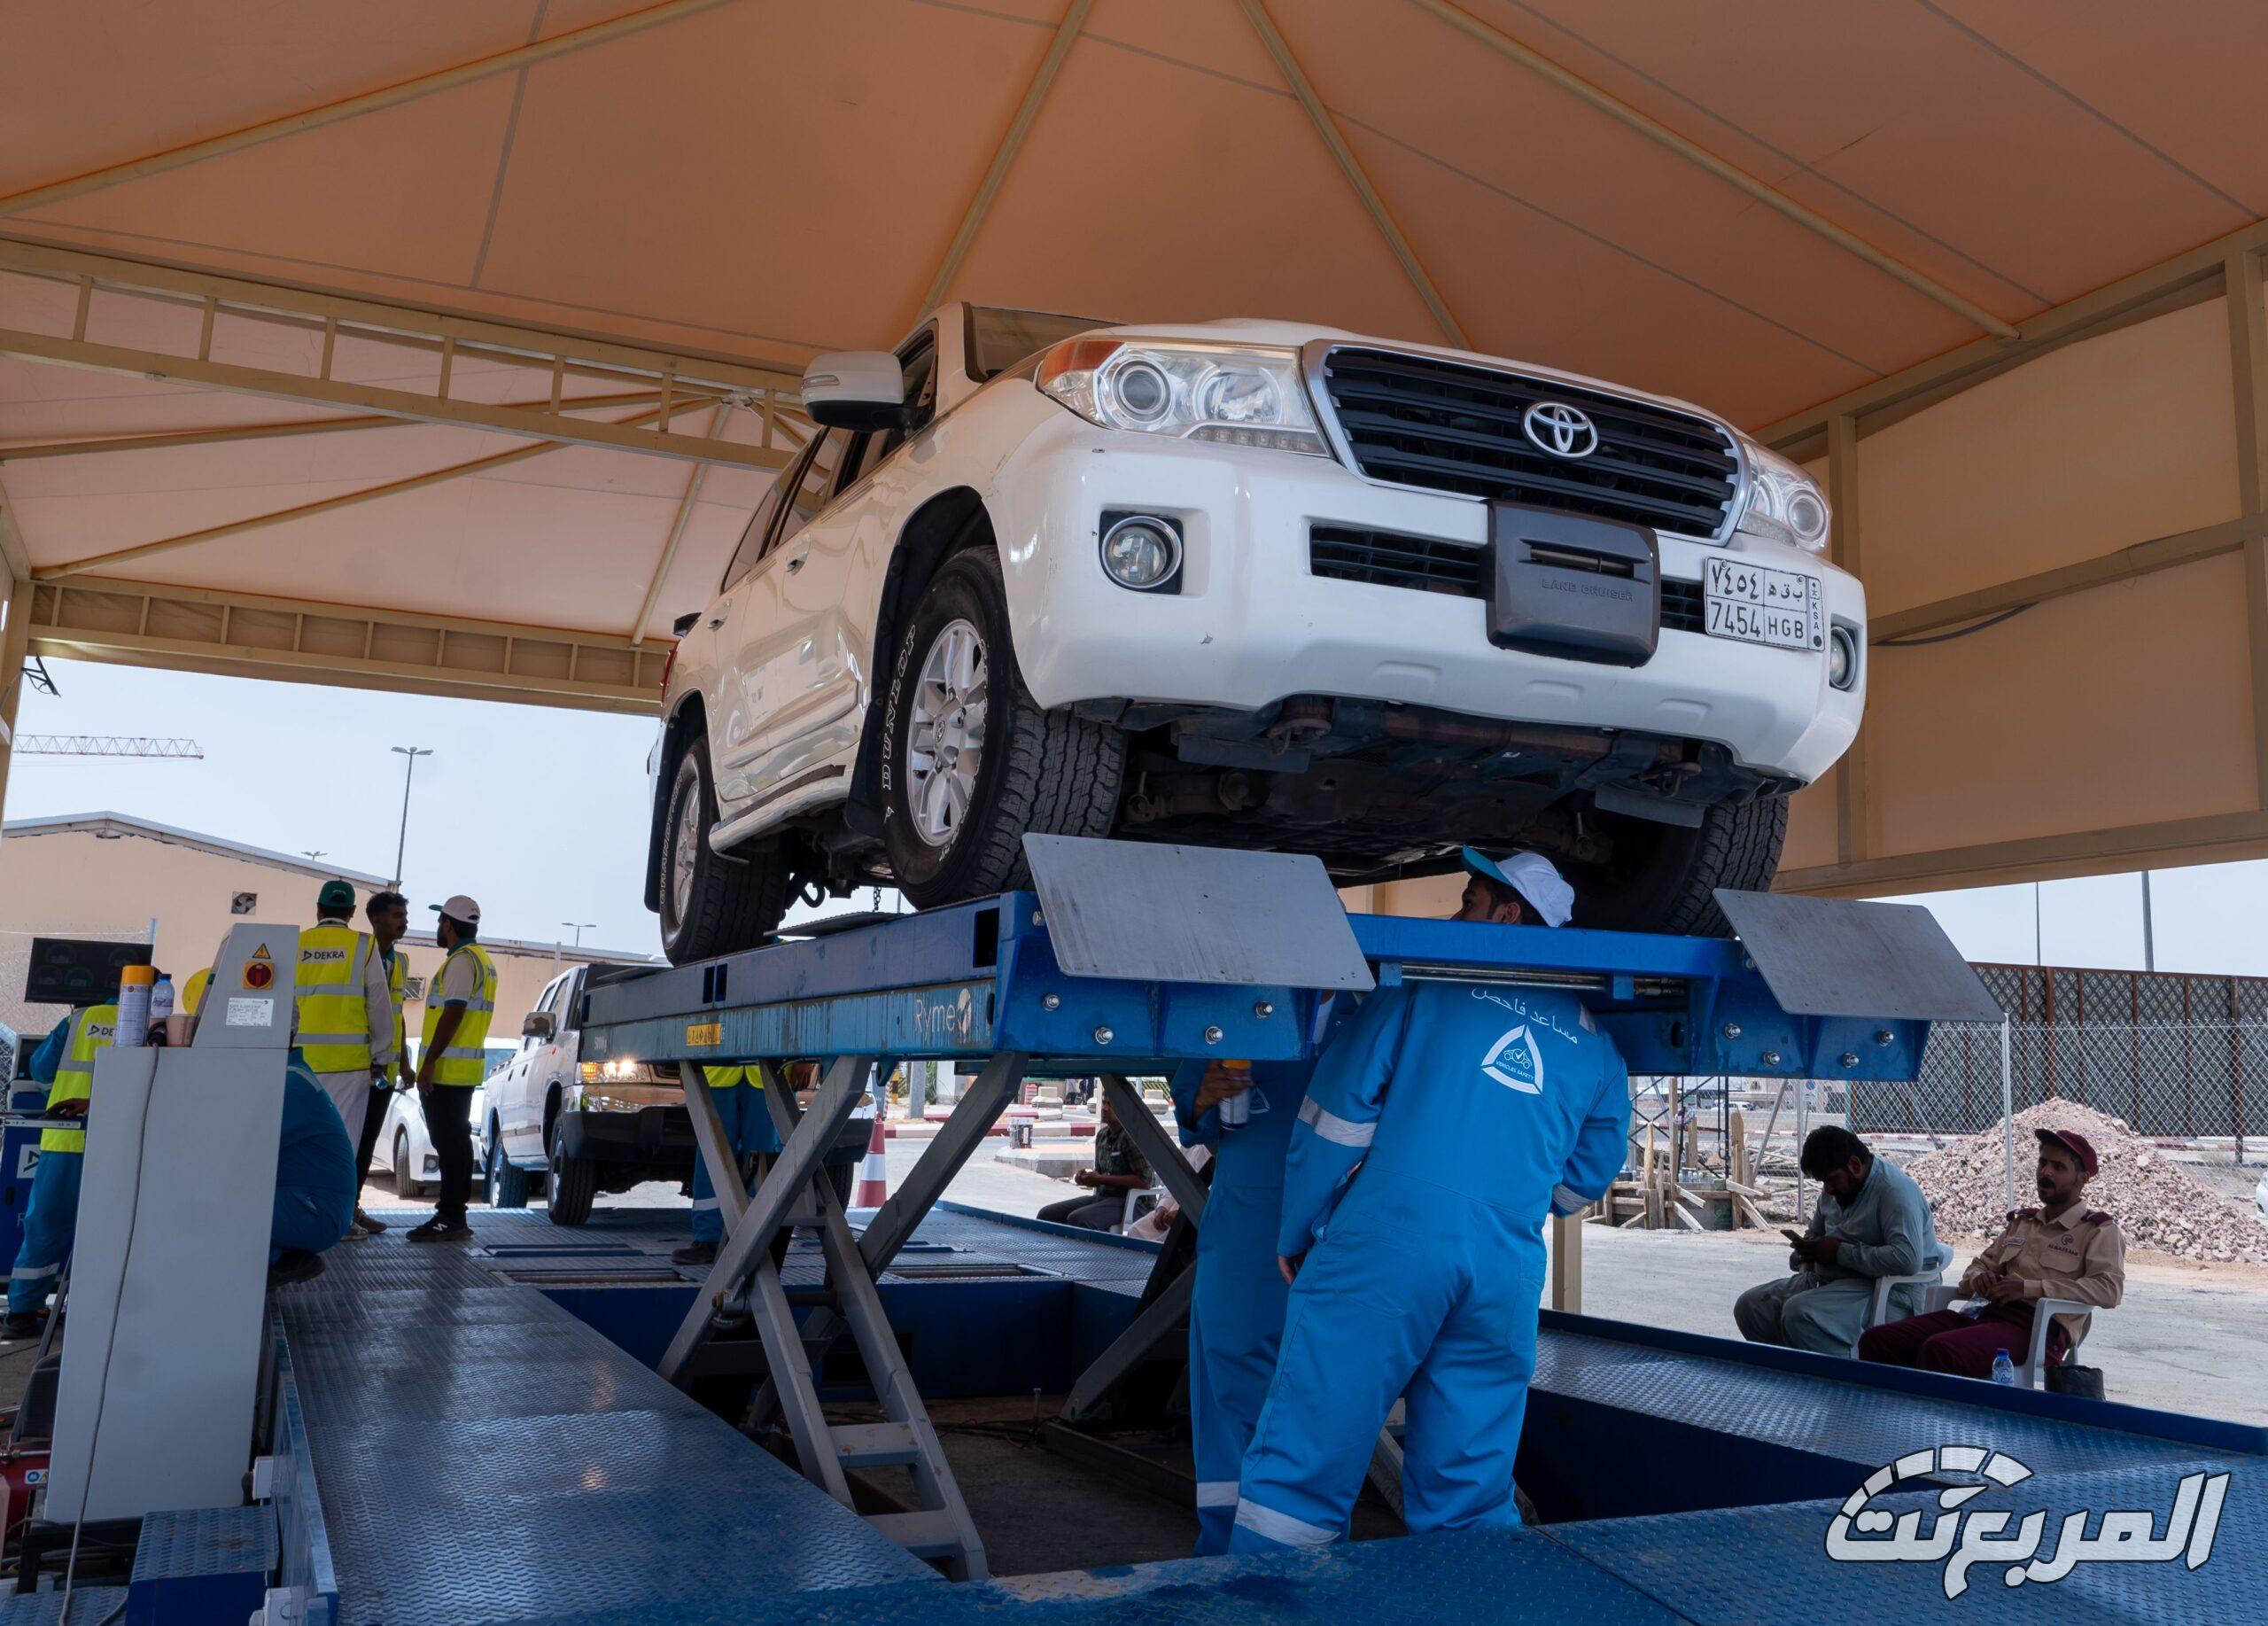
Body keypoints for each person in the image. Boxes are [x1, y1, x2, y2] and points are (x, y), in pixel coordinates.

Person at [1227, 848, 1630, 1552]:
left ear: (1507, 915)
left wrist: (1297, 1229)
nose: (1454, 915)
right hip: (1504, 1267)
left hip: (1387, 1245)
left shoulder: (1423, 989)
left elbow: (1336, 1118)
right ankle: (1468, 1594)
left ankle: (1271, 1594)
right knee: (1469, 1487)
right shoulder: (1597, 1046)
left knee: (1307, 1456)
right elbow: (1586, 1177)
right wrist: (1506, 1196)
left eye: (1469, 900)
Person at [1859, 1128, 2124, 1378]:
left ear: (2082, 1178)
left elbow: (2108, 1289)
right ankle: (1887, 1411)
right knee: (1877, 1340)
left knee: (1941, 1351)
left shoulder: (2098, 1230)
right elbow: (1978, 1266)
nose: (2045, 1172)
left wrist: (2029, 1289)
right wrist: (1979, 1279)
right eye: (2042, 1163)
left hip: (2034, 1329)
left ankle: (1933, 1414)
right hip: (1984, 1314)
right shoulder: (2024, 1222)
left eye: (2058, 1167)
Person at [1732, 1125, 1942, 1358]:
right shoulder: (1834, 1191)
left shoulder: (1894, 1191)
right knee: (1751, 1307)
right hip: (1835, 1279)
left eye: (1832, 1180)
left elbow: (1907, 1260)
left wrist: (1839, 1253)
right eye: (1823, 1182)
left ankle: (1842, 1376)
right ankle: (1789, 1373)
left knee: (1800, 1314)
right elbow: (1815, 1235)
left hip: (1889, 1290)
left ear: (1855, 1165)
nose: (1828, 1189)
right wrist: (1806, 1251)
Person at [3, 998, 118, 1339]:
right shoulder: (161, 1023)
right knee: (112, 1229)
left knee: (47, 1225)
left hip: (65, 1138)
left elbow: (40, 1070)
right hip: (122, 1145)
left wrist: (57, 1094)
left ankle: (22, 1313)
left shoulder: (79, 1019)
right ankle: (98, 1311)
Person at [296, 880, 397, 1238]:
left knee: (301, 1143)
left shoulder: (296, 944)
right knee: (342, 1148)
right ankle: (337, 1222)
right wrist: (382, 1055)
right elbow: (379, 1006)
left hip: (300, 1065)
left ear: (318, 909)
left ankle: (301, 1214)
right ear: (352, 913)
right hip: (349, 1066)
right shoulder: (364, 946)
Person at [404, 895, 495, 1243]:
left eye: (440, 921)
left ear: (449, 925)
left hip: (446, 1073)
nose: (437, 928)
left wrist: (428, 1063)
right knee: (455, 1143)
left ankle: (451, 1217)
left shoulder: (461, 962)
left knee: (450, 1145)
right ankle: (453, 1215)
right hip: (461, 1072)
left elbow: (453, 1013)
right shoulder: (481, 960)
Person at [672, 1063, 784, 1267]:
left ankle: (757, 1236)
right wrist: (685, 1065)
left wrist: (806, 1064)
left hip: (769, 1073)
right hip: (716, 1072)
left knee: (764, 1161)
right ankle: (708, 1239)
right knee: (711, 1157)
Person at [348, 889, 412, 1233]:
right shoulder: (360, 954)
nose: (404, 922)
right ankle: (341, 1209)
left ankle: (353, 1207)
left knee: (368, 1140)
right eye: (396, 915)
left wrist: (404, 1063)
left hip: (385, 1069)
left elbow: (396, 1014)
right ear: (375, 919)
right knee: (351, 1139)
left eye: (404, 916)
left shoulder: (400, 962)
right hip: (357, 1066)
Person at [268, 1055, 362, 1287]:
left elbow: (239, 1149)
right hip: (310, 1201)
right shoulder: (287, 1075)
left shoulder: (288, 1083)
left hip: (316, 1209)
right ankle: (277, 1258)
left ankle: (272, 1262)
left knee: (219, 1206)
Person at [1037, 1094, 1153, 1231]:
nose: (1105, 1108)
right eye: (1104, 1103)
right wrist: (1085, 1178)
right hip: (1104, 1198)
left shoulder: (1132, 1137)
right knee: (1046, 1215)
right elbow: (1100, 1174)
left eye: (1110, 1104)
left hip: (1132, 1203)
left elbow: (1144, 1182)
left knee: (1078, 1219)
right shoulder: (1102, 1136)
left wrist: (1101, 1179)